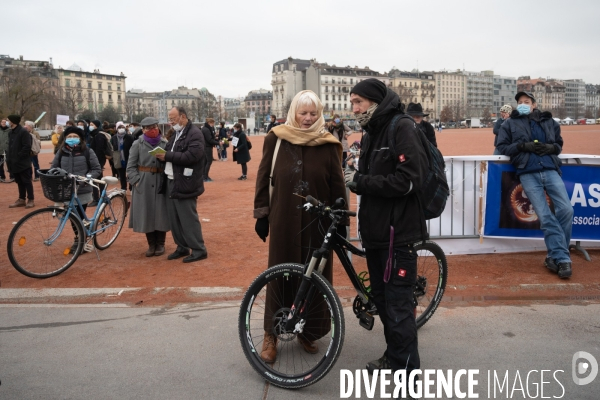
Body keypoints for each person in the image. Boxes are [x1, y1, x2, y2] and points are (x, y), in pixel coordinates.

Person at [253, 90, 347, 363]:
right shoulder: (276, 138)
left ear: (320, 115)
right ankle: (271, 333)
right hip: (283, 220)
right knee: (280, 275)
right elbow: (263, 176)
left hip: (318, 223)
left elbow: (337, 183)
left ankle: (309, 330)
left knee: (315, 277)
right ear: (294, 112)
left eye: (313, 113)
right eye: (303, 113)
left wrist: (340, 221)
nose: (307, 119)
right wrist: (262, 214)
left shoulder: (328, 143)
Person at [345, 78, 429, 378]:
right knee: (383, 303)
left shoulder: (401, 126)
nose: (354, 108)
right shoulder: (371, 132)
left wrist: (361, 182)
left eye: (359, 102)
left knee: (397, 308)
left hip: (399, 235)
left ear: (375, 101)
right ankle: (394, 358)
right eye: (352, 102)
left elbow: (409, 179)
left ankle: (408, 378)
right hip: (377, 234)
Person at [497, 91, 573, 279]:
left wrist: (550, 148)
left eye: (527, 101)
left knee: (566, 210)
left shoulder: (549, 122)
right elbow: (502, 146)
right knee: (545, 217)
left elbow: (558, 145)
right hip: (527, 173)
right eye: (520, 102)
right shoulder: (509, 123)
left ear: (534, 104)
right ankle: (563, 258)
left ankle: (555, 255)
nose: (523, 104)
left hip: (549, 169)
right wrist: (522, 147)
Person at [154, 106, 207, 263]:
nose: (171, 122)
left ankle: (198, 249)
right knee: (174, 218)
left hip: (186, 182)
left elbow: (193, 156)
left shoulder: (195, 133)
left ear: (183, 117)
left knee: (188, 217)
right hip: (171, 179)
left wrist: (167, 156)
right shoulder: (176, 134)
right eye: (170, 119)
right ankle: (181, 247)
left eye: (173, 118)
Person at [51, 126, 102, 252]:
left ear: (80, 139)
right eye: (69, 137)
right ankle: (80, 237)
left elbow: (96, 169)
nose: (72, 139)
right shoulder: (61, 151)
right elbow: (54, 167)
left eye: (75, 137)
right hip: (67, 189)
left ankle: (80, 240)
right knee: (73, 216)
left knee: (78, 215)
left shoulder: (87, 151)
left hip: (82, 189)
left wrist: (86, 178)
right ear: (65, 138)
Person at [126, 117, 170, 257]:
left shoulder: (165, 143)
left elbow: (171, 161)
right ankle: (151, 244)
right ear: (143, 130)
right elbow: (130, 165)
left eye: (155, 127)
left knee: (161, 212)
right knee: (146, 212)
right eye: (149, 128)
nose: (153, 130)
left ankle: (161, 244)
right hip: (143, 181)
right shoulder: (137, 144)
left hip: (161, 179)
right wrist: (136, 180)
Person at [6, 115, 35, 208]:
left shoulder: (23, 132)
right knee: (19, 181)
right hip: (13, 162)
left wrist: (18, 156)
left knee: (26, 181)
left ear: (13, 121)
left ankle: (31, 199)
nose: (7, 121)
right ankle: (21, 199)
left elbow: (27, 146)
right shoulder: (10, 132)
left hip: (22, 162)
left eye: (8, 120)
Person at [88, 120, 108, 206]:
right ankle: (102, 197)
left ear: (96, 125)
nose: (90, 126)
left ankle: (98, 198)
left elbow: (100, 150)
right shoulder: (94, 134)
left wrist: (96, 162)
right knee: (99, 179)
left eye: (92, 124)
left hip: (97, 161)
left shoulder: (99, 135)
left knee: (96, 179)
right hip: (96, 160)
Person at [111, 124, 134, 191]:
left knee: (130, 173)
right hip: (118, 157)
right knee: (121, 174)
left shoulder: (129, 137)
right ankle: (123, 187)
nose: (121, 129)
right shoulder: (114, 137)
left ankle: (131, 186)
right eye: (119, 127)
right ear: (117, 129)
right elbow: (112, 146)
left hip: (128, 156)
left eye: (123, 127)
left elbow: (132, 146)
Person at [201, 118, 220, 182]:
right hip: (207, 147)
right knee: (209, 162)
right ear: (210, 123)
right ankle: (205, 176)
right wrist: (218, 143)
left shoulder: (205, 129)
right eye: (213, 123)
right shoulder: (206, 130)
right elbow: (209, 140)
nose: (213, 124)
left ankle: (204, 176)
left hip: (205, 146)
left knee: (206, 162)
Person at [1, 117, 15, 182]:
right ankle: (2, 176)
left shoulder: (10, 130)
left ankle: (12, 176)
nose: (3, 123)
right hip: (0, 149)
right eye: (2, 122)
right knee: (0, 164)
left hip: (8, 149)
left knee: (9, 163)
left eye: (4, 122)